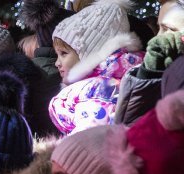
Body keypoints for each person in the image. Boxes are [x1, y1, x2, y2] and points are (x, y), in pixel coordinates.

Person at [48, 0, 145, 134]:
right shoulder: (99, 84)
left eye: (64, 53)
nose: (57, 63)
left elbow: (86, 144)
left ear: (89, 53)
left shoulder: (100, 91)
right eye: (57, 54)